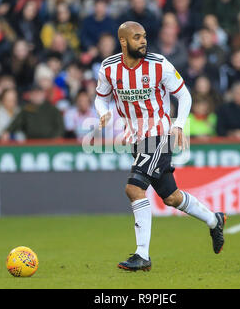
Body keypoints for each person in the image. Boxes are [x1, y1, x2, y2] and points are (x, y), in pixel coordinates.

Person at [94, 21, 226, 272]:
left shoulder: (159, 64)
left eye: (144, 36)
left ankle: (142, 256)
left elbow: (184, 94)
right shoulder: (109, 68)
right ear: (123, 42)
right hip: (135, 139)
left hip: (158, 135)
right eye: (136, 37)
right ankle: (214, 220)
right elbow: (101, 98)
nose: (143, 41)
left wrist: (178, 125)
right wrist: (103, 113)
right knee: (171, 197)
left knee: (133, 189)